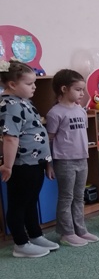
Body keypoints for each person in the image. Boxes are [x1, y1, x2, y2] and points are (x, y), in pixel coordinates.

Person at [0, 61, 59, 257]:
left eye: (34, 83)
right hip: (22, 164)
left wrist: (47, 162)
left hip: (35, 162)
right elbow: (10, 138)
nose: (34, 87)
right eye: (29, 83)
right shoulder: (9, 105)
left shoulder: (23, 101)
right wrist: (8, 166)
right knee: (18, 204)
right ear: (12, 84)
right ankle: (21, 244)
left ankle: (35, 235)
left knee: (31, 201)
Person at [46, 69, 99, 246]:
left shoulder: (80, 111)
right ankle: (66, 233)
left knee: (79, 196)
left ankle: (80, 229)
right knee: (66, 197)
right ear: (64, 89)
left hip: (82, 159)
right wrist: (49, 164)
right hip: (64, 161)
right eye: (78, 89)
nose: (82, 93)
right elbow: (49, 140)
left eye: (82, 89)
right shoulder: (55, 113)